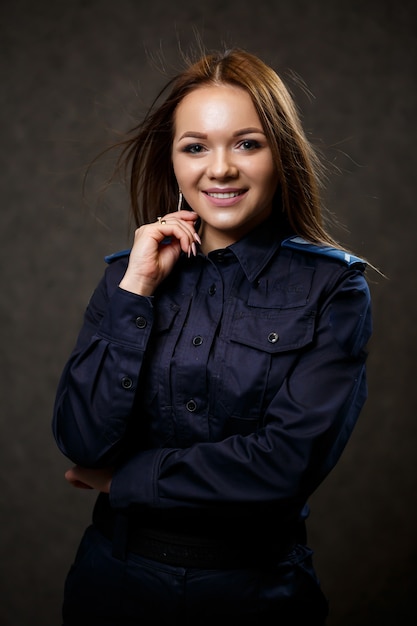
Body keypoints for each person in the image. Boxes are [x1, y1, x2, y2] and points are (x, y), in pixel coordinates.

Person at [52, 47, 372, 626]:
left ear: (283, 154)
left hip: (256, 596)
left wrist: (128, 479)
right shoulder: (130, 276)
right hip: (113, 586)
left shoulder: (334, 287)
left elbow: (285, 467)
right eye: (195, 146)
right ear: (172, 161)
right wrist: (136, 293)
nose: (219, 169)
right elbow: (81, 439)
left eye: (247, 143)